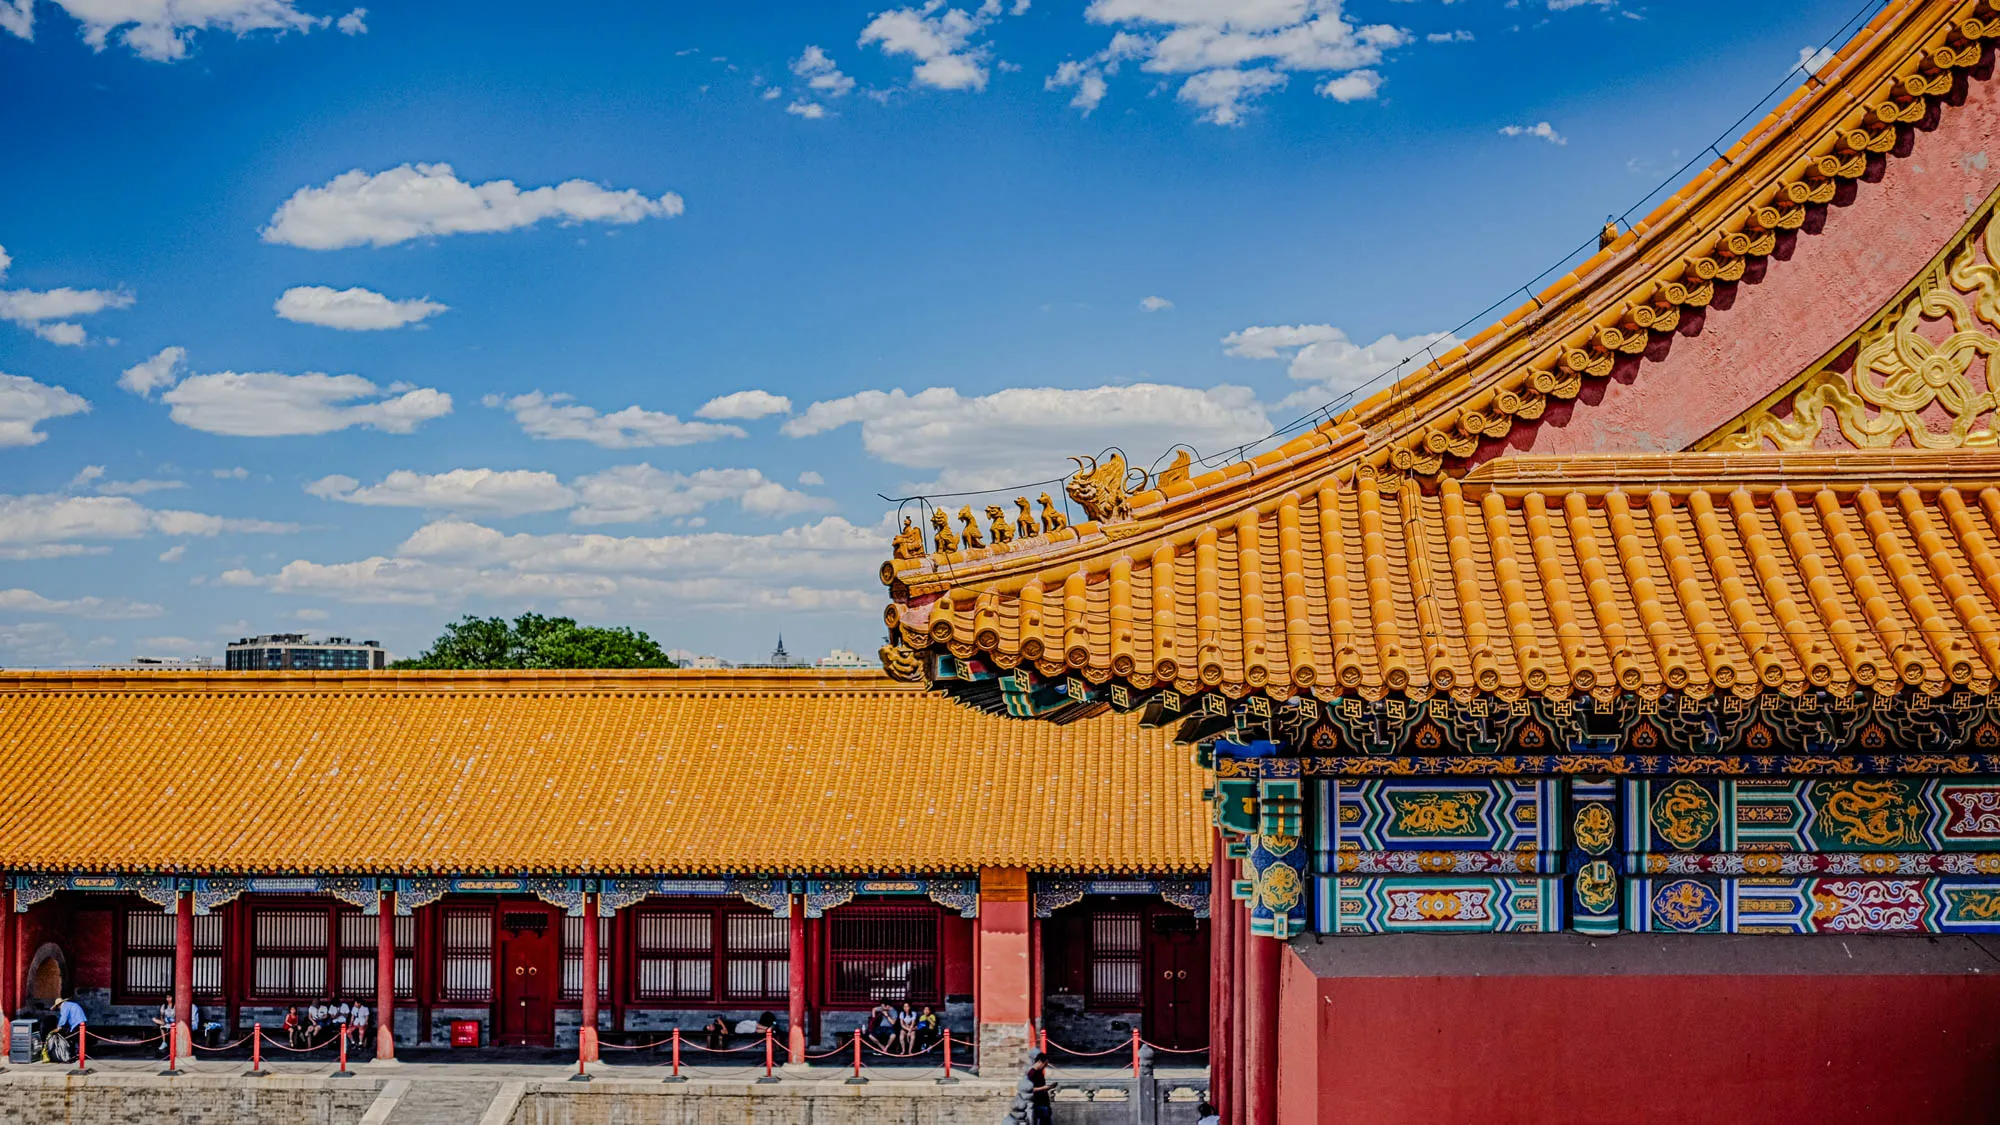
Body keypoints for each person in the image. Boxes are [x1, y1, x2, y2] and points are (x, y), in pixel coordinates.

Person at [50, 994, 84, 1060]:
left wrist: (59, 1027)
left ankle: (72, 1055)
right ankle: (78, 1054)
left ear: (59, 1005)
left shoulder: (64, 1006)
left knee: (70, 1039)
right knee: (78, 1039)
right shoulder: (71, 1004)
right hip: (81, 1022)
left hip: (77, 1023)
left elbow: (63, 1017)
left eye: (57, 1007)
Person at [1026, 1052, 1054, 1125]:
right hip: (1038, 1104)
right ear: (1039, 1062)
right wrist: (1043, 1088)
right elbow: (1029, 1089)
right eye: (1045, 1064)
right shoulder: (1031, 1073)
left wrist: (1048, 1087)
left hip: (1044, 1104)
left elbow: (1040, 1087)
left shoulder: (1040, 1072)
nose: (1045, 1066)